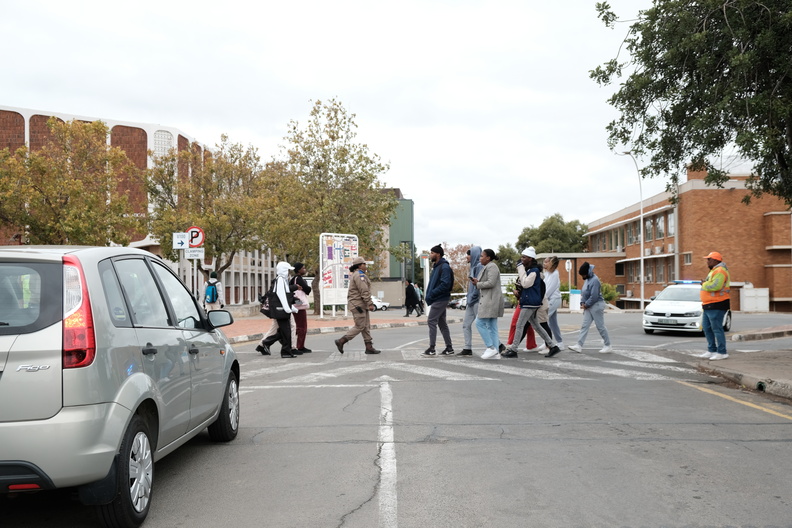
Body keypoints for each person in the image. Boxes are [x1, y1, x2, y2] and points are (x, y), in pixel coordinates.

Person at [502, 247, 560, 358]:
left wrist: (520, 268)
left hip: (530, 303)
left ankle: (513, 350)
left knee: (519, 325)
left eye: (524, 257)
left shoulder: (534, 271)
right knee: (536, 326)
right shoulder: (530, 270)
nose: (522, 259)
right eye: (522, 257)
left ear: (530, 258)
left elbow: (525, 283)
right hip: (530, 302)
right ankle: (553, 346)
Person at [334, 256, 381, 354]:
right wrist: (370, 303)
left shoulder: (357, 274)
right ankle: (342, 341)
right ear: (360, 265)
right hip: (358, 305)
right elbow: (364, 291)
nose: (366, 265)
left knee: (366, 326)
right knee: (360, 326)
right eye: (364, 264)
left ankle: (369, 347)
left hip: (360, 304)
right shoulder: (359, 276)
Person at [567, 262, 612, 354]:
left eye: (583, 274)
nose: (582, 276)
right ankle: (579, 345)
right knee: (584, 326)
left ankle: (608, 345)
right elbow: (585, 292)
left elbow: (594, 296)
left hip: (596, 305)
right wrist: (582, 302)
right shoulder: (588, 279)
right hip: (589, 306)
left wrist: (586, 304)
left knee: (600, 326)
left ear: (587, 272)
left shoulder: (595, 280)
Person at [257, 262, 299, 358]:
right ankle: (285, 351)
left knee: (284, 330)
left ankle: (284, 350)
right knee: (285, 330)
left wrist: (291, 308)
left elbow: (285, 295)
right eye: (287, 270)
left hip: (282, 309)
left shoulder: (282, 280)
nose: (288, 272)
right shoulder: (280, 280)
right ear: (283, 270)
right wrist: (288, 308)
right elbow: (281, 295)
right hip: (281, 310)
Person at [472, 248, 505, 359]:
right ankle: (495, 352)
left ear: (488, 257)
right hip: (491, 299)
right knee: (492, 326)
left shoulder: (492, 267)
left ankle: (490, 347)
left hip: (490, 300)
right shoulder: (487, 267)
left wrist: (478, 284)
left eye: (482, 256)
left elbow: (491, 282)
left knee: (479, 322)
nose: (480, 258)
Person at [697, 251, 731, 360]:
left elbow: (716, 286)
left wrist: (704, 284)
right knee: (707, 328)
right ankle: (711, 350)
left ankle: (722, 352)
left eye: (709, 259)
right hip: (709, 304)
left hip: (717, 303)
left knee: (716, 328)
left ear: (716, 260)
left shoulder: (720, 271)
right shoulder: (714, 271)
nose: (707, 261)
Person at [422, 244, 454, 357]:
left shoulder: (444, 267)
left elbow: (445, 284)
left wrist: (432, 293)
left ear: (438, 254)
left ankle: (432, 348)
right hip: (438, 298)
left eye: (432, 253)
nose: (430, 255)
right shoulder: (436, 267)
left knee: (431, 321)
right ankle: (449, 348)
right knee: (442, 323)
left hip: (440, 298)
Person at [458, 246, 483, 356]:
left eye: (468, 255)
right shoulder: (473, 267)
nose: (466, 257)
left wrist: (472, 297)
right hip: (471, 302)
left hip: (477, 301)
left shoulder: (479, 266)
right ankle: (467, 348)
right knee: (466, 324)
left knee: (483, 325)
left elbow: (478, 285)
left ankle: (497, 345)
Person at [542, 256, 565, 354]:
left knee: (543, 320)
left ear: (551, 263)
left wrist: (542, 299)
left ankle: (548, 344)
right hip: (549, 299)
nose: (544, 263)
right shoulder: (547, 273)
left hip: (553, 299)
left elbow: (550, 289)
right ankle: (560, 343)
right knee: (553, 323)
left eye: (546, 262)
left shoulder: (555, 274)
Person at [290, 262, 312, 354]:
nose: (304, 269)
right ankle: (299, 346)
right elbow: (307, 289)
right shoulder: (298, 279)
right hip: (299, 307)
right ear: (298, 270)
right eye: (303, 268)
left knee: (297, 327)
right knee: (301, 327)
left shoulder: (293, 279)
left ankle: (297, 345)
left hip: (296, 305)